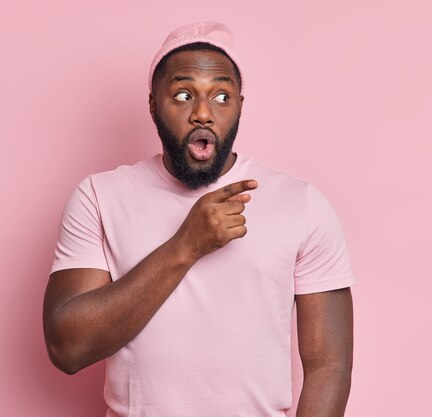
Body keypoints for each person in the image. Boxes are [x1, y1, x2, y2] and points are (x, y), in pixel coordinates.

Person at [43, 22, 356, 417]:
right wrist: (186, 246)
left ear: (240, 105)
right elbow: (67, 348)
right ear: (153, 103)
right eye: (184, 94)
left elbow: (329, 365)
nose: (203, 113)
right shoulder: (99, 197)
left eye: (221, 96)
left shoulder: (301, 204)